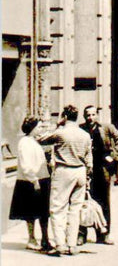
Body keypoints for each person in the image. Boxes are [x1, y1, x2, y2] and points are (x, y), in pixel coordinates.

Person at [38, 105, 92, 256]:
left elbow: (41, 139)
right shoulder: (85, 135)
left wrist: (57, 125)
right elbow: (89, 158)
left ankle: (60, 244)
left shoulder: (61, 133)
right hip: (80, 171)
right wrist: (87, 175)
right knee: (75, 209)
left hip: (64, 171)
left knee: (57, 208)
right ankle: (72, 244)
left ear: (65, 117)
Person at [78, 105, 118, 246]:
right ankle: (81, 234)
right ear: (84, 116)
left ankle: (104, 234)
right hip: (86, 169)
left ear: (97, 115)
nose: (90, 118)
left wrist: (113, 155)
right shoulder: (81, 129)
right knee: (83, 201)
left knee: (103, 201)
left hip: (102, 168)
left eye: (93, 114)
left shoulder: (106, 128)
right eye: (88, 115)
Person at [9, 115, 51, 251]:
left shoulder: (34, 141)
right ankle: (31, 239)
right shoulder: (25, 142)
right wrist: (34, 180)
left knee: (44, 212)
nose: (40, 129)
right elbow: (26, 165)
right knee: (31, 213)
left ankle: (45, 238)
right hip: (31, 181)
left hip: (42, 178)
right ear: (32, 128)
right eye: (39, 127)